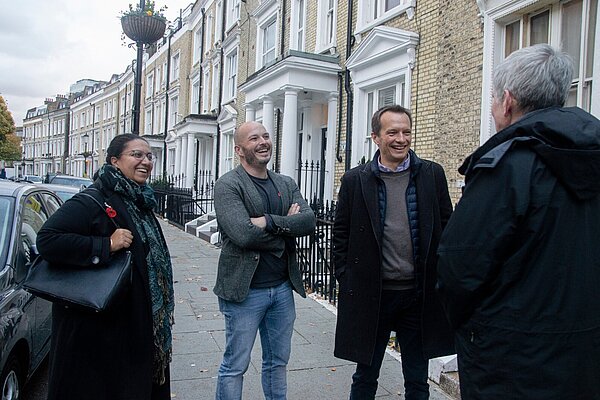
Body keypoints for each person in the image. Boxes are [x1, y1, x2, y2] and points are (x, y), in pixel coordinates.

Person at [436, 44, 600, 399]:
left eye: (493, 101)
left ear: (507, 101)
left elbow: (459, 266)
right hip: (584, 357)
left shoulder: (506, 166)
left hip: (510, 362)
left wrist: (472, 326)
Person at [37, 134, 174, 400]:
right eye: (136, 155)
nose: (145, 161)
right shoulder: (93, 199)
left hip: (133, 327)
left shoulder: (139, 201)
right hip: (101, 335)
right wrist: (105, 246)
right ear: (114, 161)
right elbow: (48, 240)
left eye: (149, 156)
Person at [333, 104, 454, 400]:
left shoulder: (431, 174)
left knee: (417, 378)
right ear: (376, 137)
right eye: (393, 132)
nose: (401, 139)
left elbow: (447, 229)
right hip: (373, 296)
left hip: (417, 296)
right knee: (365, 375)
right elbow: (341, 234)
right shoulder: (355, 180)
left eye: (406, 132)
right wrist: (345, 277)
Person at [213, 121, 316, 400]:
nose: (263, 142)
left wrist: (267, 221)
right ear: (239, 149)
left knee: (277, 363)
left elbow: (308, 222)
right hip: (245, 292)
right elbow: (242, 235)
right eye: (254, 138)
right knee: (235, 365)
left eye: (266, 136)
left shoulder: (285, 182)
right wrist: (286, 230)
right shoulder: (228, 185)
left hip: (282, 290)